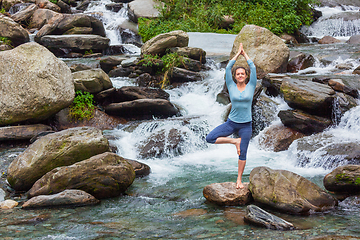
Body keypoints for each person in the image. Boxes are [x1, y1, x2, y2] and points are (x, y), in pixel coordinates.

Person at [206, 43, 257, 189]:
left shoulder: (251, 85)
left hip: (246, 125)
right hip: (231, 123)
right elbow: (228, 68)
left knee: (243, 154)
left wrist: (245, 54)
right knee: (210, 138)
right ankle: (234, 142)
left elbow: (253, 68)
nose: (240, 75)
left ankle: (239, 180)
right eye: (238, 74)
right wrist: (237, 55)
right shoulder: (231, 85)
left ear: (246, 76)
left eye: (242, 73)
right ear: (235, 77)